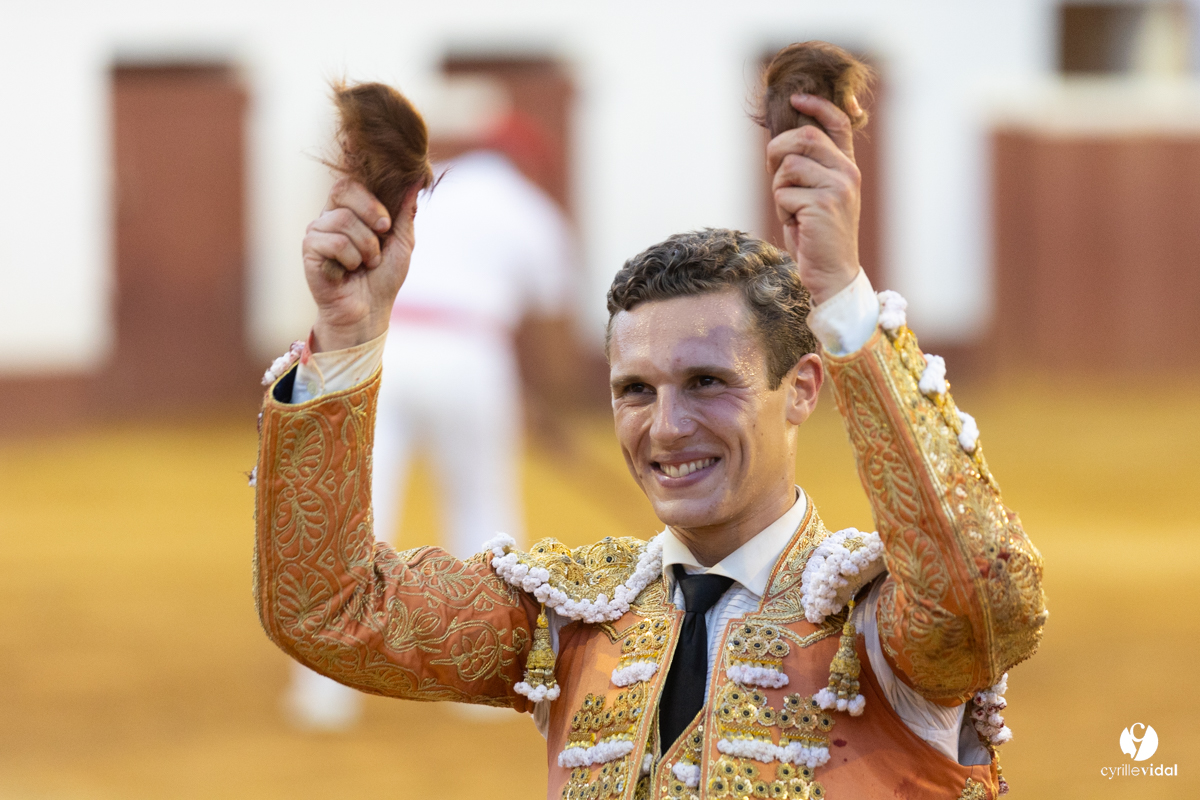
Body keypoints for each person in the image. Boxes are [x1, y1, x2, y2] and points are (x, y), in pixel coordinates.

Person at [253, 90, 1046, 798]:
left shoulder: (878, 624)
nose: (666, 428)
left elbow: (985, 595)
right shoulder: (573, 619)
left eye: (707, 382)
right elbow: (331, 609)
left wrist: (844, 304)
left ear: (804, 386)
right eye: (636, 390)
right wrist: (349, 335)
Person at [284, 115, 575, 729]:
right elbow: (549, 329)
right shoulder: (533, 210)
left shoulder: (435, 193)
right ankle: (497, 684)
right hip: (474, 353)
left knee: (357, 505)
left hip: (389, 343)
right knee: (482, 507)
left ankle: (323, 694)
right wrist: (546, 409)